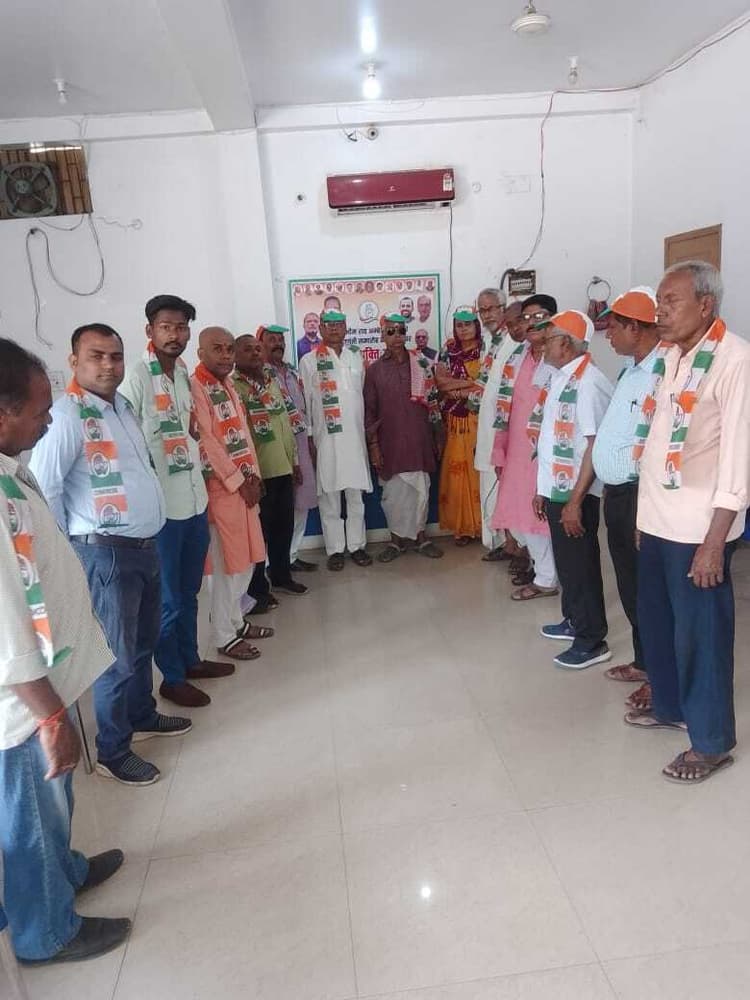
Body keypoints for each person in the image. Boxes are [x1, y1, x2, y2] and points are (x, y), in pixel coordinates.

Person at [0, 338, 131, 965]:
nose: (49, 419)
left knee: (52, 802)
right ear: (2, 413)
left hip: (47, 681)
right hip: (23, 705)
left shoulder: (8, 469)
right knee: (31, 811)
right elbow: (5, 625)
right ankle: (45, 933)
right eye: (38, 410)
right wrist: (50, 715)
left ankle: (64, 872)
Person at [30, 324, 190, 787]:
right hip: (106, 554)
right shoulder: (66, 416)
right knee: (117, 656)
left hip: (144, 547)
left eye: (115, 356)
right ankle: (113, 751)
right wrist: (70, 559)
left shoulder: (121, 407)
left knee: (142, 644)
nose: (108, 365)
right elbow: (45, 488)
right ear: (74, 361)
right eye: (96, 356)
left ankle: (141, 715)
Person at [627, 261, 750, 783]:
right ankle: (670, 706)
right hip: (658, 522)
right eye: (659, 301)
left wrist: (714, 543)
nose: (660, 311)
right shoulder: (671, 356)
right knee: (657, 625)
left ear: (706, 305)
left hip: (698, 530)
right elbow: (658, 443)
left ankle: (712, 743)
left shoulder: (735, 360)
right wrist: (643, 517)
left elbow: (738, 461)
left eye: (670, 301)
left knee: (702, 636)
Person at [120, 295, 234, 709]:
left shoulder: (183, 373)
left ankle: (190, 660)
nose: (175, 335)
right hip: (163, 510)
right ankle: (171, 678)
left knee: (190, 591)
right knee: (168, 600)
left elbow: (189, 430)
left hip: (193, 500)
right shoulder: (136, 378)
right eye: (166, 327)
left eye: (181, 327)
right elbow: (127, 443)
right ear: (150, 331)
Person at [532, 310, 614, 669]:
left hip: (576, 495)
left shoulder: (589, 383)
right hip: (557, 490)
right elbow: (551, 440)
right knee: (567, 565)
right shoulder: (561, 378)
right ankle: (574, 620)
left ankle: (592, 639)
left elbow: (594, 445)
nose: (542, 344)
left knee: (581, 567)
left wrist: (575, 501)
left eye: (548, 338)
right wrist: (542, 490)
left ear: (565, 343)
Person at [591, 287, 660, 697]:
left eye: (614, 328)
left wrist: (646, 510)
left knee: (649, 588)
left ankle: (660, 675)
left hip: (641, 496)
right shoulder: (630, 371)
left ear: (635, 327)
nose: (609, 336)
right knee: (630, 583)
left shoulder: (661, 373)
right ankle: (644, 660)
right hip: (619, 494)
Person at [191, 327, 271, 660]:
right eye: (217, 349)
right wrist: (239, 481)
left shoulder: (227, 385)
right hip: (222, 491)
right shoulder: (196, 388)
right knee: (227, 567)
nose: (225, 355)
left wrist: (255, 477)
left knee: (247, 561)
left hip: (244, 487)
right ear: (201, 354)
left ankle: (237, 621)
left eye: (228, 349)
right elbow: (205, 443)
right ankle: (224, 635)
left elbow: (243, 436)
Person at [489, 305, 558, 600]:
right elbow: (504, 409)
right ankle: (544, 573)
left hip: (553, 452)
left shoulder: (561, 358)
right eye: (525, 318)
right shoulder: (517, 359)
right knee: (523, 512)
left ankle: (549, 576)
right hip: (519, 450)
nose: (529, 324)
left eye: (537, 317)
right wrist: (499, 450)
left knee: (547, 515)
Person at [233, 332, 308, 603]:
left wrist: (294, 462)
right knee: (258, 535)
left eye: (257, 348)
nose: (255, 353)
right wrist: (249, 475)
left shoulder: (271, 380)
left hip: (283, 468)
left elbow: (286, 423)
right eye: (248, 349)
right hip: (258, 475)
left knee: (283, 528)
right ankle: (257, 590)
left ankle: (281, 576)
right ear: (235, 355)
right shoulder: (234, 387)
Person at [364, 314, 444, 561]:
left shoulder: (421, 364)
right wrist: (374, 446)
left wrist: (438, 436)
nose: (396, 336)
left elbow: (433, 401)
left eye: (400, 331)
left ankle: (421, 537)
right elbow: (369, 411)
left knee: (421, 490)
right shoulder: (375, 371)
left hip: (419, 439)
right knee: (393, 495)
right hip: (390, 442)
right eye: (390, 332)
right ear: (382, 336)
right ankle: (396, 540)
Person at [299, 310, 373, 570]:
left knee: (355, 496)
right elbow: (306, 402)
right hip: (326, 438)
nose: (333, 329)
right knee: (329, 496)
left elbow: (362, 394)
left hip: (355, 438)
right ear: (320, 328)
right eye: (328, 324)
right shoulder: (309, 361)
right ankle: (335, 550)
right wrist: (310, 436)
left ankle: (357, 546)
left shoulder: (355, 356)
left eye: (338, 324)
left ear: (345, 328)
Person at [259, 324, 318, 575]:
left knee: (301, 502)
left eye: (280, 339)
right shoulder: (260, 375)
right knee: (276, 507)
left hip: (300, 444)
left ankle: (292, 555)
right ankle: (272, 562)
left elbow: (303, 408)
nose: (278, 344)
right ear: (261, 345)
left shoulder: (291, 372)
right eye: (271, 339)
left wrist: (310, 440)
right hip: (276, 448)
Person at [471, 287, 519, 560]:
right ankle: (504, 543)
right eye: (482, 310)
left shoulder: (514, 341)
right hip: (488, 429)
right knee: (493, 488)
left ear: (503, 308)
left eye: (491, 309)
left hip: (506, 431)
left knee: (507, 489)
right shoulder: (489, 342)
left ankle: (517, 547)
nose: (486, 315)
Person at [435, 307, 484, 545]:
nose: (463, 329)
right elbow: (441, 383)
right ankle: (462, 528)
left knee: (478, 472)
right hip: (454, 422)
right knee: (456, 473)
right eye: (459, 325)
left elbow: (487, 384)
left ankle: (483, 527)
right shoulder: (448, 351)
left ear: (477, 325)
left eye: (468, 324)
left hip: (479, 420)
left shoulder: (486, 350)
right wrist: (470, 384)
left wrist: (461, 387)